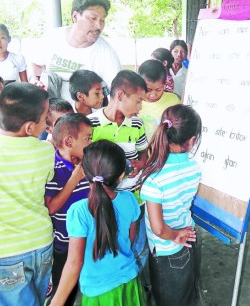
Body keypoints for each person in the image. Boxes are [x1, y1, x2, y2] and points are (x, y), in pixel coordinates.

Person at [49, 140, 147, 306]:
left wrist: (56, 302)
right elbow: (130, 239)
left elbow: (74, 262)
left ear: (84, 174)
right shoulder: (130, 199)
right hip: (129, 281)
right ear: (121, 175)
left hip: (98, 291)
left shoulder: (79, 210)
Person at [140, 104, 202, 306]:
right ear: (191, 141)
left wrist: (175, 235)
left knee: (169, 299)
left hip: (169, 248)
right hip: (189, 235)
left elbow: (158, 228)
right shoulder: (194, 168)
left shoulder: (154, 178)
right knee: (186, 292)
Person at [0, 82, 55, 305]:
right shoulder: (46, 151)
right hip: (42, 243)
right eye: (45, 118)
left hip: (7, 251)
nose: (48, 122)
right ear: (30, 128)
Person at [31, 0, 121, 101]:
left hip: (86, 116)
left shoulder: (107, 54)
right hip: (50, 111)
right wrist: (36, 79)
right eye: (93, 18)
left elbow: (116, 92)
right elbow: (37, 63)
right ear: (75, 16)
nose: (99, 25)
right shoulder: (51, 38)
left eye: (102, 20)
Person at [45, 113, 93, 304]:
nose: (90, 143)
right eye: (87, 138)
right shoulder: (54, 168)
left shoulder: (85, 163)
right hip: (64, 245)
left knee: (82, 287)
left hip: (87, 239)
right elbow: (51, 207)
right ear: (68, 141)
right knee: (63, 289)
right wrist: (74, 179)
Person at [88, 70, 148, 180]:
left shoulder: (137, 124)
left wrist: (141, 164)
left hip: (130, 190)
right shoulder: (89, 124)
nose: (140, 108)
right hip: (101, 193)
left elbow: (143, 151)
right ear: (120, 95)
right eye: (138, 101)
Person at [138, 59, 180, 141]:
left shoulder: (173, 101)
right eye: (148, 90)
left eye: (158, 89)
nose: (153, 95)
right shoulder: (135, 102)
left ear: (164, 84)